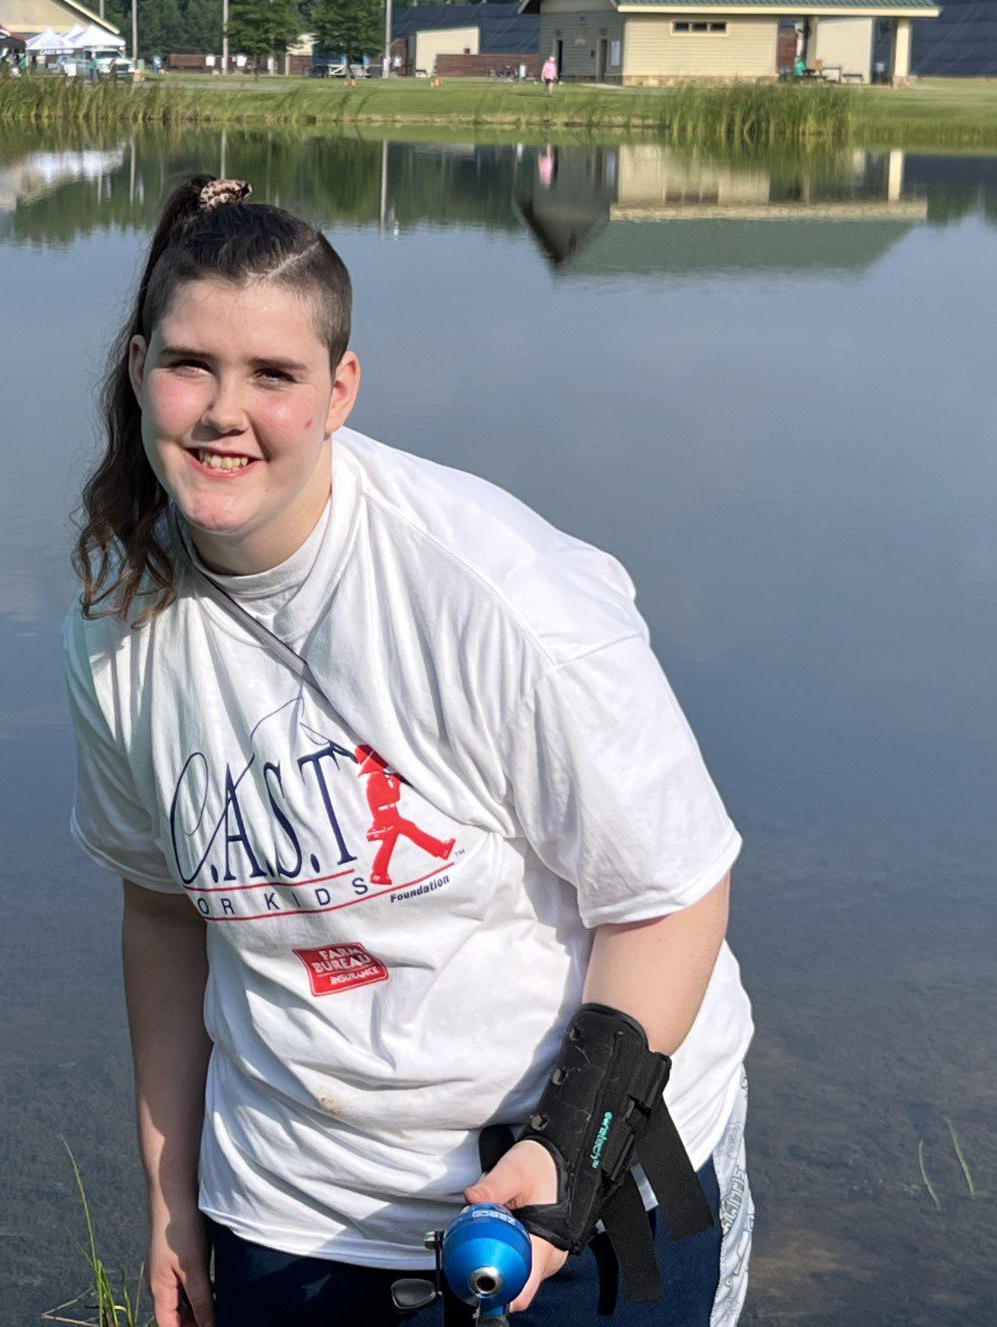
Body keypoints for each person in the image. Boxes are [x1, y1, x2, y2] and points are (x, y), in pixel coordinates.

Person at [65, 175, 753, 1327]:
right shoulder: (118, 629)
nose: (224, 412)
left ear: (339, 389)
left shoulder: (503, 599)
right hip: (287, 1213)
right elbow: (163, 914)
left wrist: (565, 1152)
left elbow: (670, 902)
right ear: (138, 370)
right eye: (189, 365)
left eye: (272, 375)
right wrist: (170, 1195)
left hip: (564, 1204)